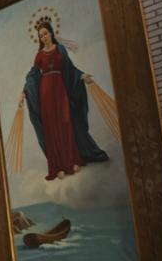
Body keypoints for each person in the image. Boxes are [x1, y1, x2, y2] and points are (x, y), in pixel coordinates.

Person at [19, 17, 108, 180]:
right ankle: (57, 167)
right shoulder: (39, 56)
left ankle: (71, 161)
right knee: (51, 128)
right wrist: (25, 90)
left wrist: (82, 75)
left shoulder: (60, 50)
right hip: (46, 94)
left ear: (51, 33)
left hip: (60, 91)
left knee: (66, 124)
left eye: (45, 33)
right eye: (41, 36)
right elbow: (32, 75)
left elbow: (69, 68)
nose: (44, 37)